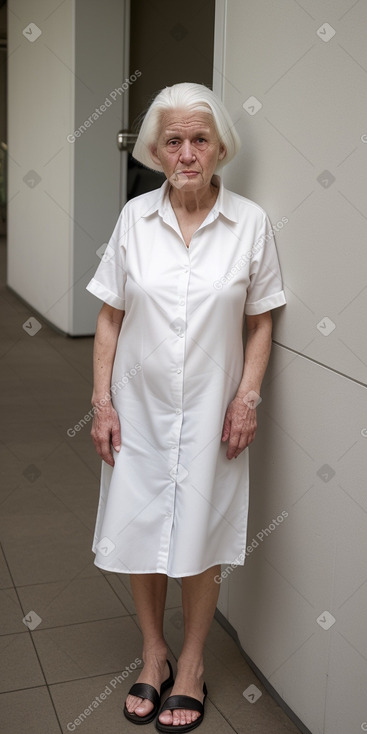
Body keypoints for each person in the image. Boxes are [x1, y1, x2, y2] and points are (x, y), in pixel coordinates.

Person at [86, 82, 286, 732]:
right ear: (156, 150)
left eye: (199, 139)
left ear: (219, 146)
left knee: (200, 533)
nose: (187, 152)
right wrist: (100, 402)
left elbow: (260, 320)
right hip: (137, 409)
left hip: (210, 412)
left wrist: (247, 398)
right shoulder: (133, 220)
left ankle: (192, 661)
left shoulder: (249, 223)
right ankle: (152, 652)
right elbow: (110, 316)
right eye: (173, 141)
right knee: (141, 530)